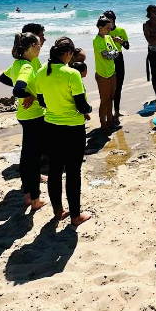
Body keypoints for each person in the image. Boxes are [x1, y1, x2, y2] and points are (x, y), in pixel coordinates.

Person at [32, 38, 94, 225]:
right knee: (73, 172)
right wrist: (89, 110)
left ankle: (58, 212)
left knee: (55, 170)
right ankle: (75, 215)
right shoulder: (71, 74)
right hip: (73, 128)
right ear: (68, 54)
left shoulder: (42, 72)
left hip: (51, 126)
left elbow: (42, 101)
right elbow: (81, 105)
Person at [0, 33, 48, 209]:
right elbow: (18, 89)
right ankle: (34, 200)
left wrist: (26, 92)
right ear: (33, 46)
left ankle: (27, 194)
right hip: (34, 116)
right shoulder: (25, 67)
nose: (41, 46)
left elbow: (3, 78)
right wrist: (30, 95)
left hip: (24, 115)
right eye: (39, 44)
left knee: (27, 155)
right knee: (34, 159)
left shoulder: (17, 64)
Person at [92, 16, 123, 131]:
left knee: (111, 98)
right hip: (102, 74)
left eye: (110, 28)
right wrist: (112, 54)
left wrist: (112, 54)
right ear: (100, 28)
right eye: (107, 28)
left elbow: (116, 52)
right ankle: (103, 124)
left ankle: (110, 121)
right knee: (104, 100)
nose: (110, 30)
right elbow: (106, 55)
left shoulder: (109, 38)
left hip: (112, 72)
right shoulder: (97, 40)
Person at [104, 10, 132, 118]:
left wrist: (120, 41)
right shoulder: (104, 33)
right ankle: (108, 113)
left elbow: (127, 46)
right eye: (106, 20)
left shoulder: (121, 30)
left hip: (119, 58)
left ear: (114, 19)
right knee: (109, 88)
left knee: (118, 86)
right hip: (108, 59)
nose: (108, 23)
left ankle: (117, 111)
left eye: (109, 20)